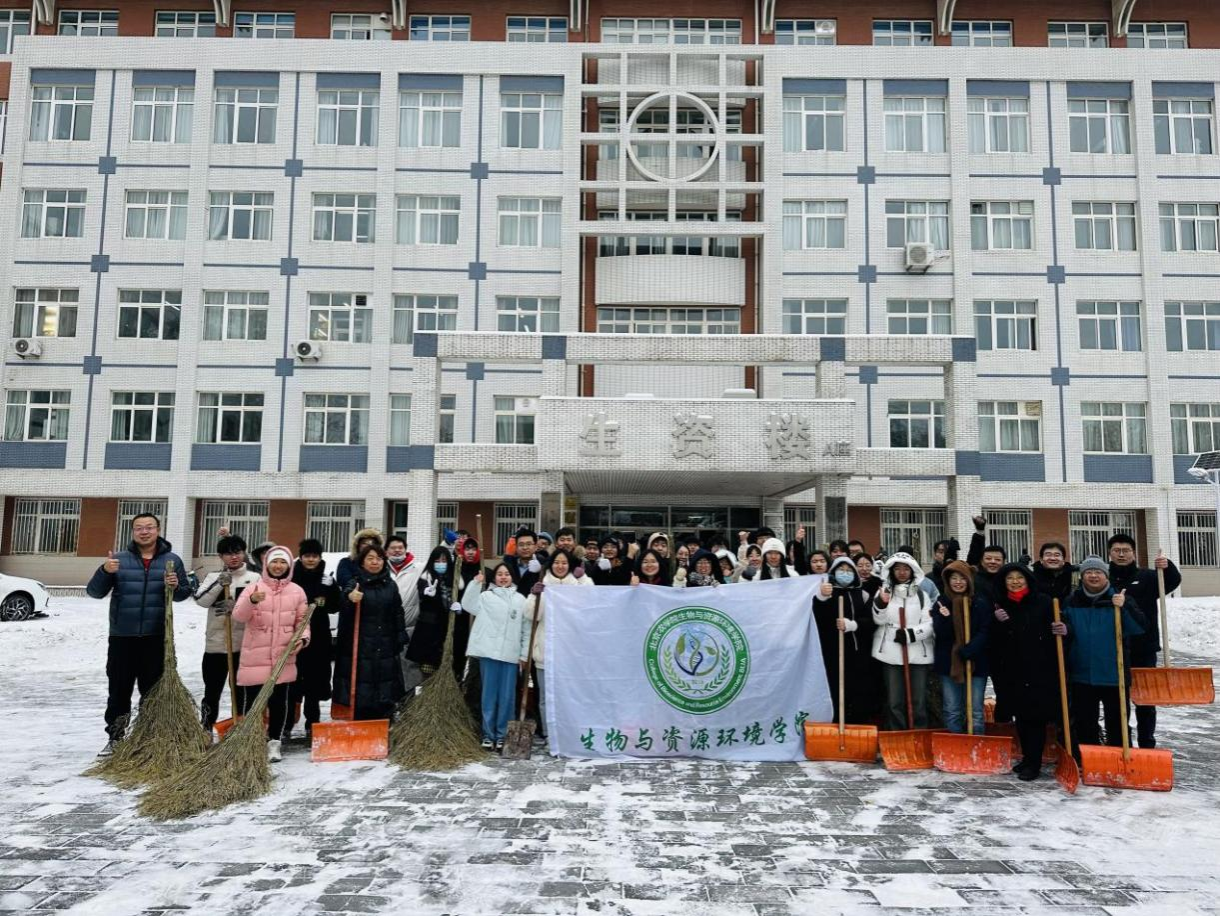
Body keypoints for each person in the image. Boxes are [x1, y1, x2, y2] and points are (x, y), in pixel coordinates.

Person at [88, 513, 192, 757]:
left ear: (158, 530)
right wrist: (105, 571)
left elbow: (183, 594)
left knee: (152, 691)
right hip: (122, 637)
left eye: (149, 527)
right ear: (133, 532)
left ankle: (147, 738)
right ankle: (116, 738)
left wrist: (175, 586)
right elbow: (94, 592)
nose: (144, 532)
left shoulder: (172, 560)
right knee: (119, 690)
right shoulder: (119, 560)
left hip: (155, 637)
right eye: (139, 528)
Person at [231, 546, 310, 762]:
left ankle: (274, 742)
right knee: (253, 702)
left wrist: (302, 639)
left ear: (289, 566)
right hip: (255, 655)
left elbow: (302, 621)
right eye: (274, 561)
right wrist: (251, 601)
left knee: (278, 702)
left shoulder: (297, 591)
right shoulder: (253, 588)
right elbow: (238, 616)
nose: (278, 566)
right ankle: (251, 741)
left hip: (283, 655)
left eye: (283, 562)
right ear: (267, 564)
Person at [1063, 557, 1147, 753]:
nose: (1093, 576)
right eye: (1088, 572)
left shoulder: (1120, 598)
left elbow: (1139, 628)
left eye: (1098, 572)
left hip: (1114, 674)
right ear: (1082, 576)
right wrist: (1063, 629)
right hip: (1081, 674)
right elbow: (1067, 632)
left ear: (1106, 575)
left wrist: (1124, 607)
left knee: (1117, 723)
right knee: (1085, 723)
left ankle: (1119, 758)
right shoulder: (1071, 601)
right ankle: (1088, 759)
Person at [1107, 535, 1181, 749]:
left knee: (1145, 700)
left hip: (1143, 647)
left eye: (1126, 550)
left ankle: (1147, 742)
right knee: (1118, 699)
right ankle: (1122, 741)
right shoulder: (1104, 578)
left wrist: (1167, 568)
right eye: (1117, 550)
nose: (1121, 554)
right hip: (1113, 648)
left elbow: (1172, 581)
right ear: (1110, 553)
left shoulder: (1148, 577)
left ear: (1134, 553)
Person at [990, 563, 1062, 780]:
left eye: (1019, 577)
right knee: (1020, 716)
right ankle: (1027, 757)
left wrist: (1063, 629)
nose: (1015, 582)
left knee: (1035, 716)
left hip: (1039, 667)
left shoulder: (1043, 602)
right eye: (1010, 578)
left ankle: (1034, 762)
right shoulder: (1000, 605)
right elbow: (996, 639)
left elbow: (1057, 628)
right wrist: (998, 623)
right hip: (1013, 668)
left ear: (1028, 579)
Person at [192, 534, 260, 730]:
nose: (234, 557)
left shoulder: (254, 579)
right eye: (228, 554)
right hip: (216, 646)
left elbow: (261, 608)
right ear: (221, 557)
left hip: (242, 645)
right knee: (212, 691)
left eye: (237, 552)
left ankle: (240, 728)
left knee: (240, 691)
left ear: (244, 553)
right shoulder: (212, 577)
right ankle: (206, 728)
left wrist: (237, 605)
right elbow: (201, 601)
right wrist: (219, 585)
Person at [334, 544, 408, 721]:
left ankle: (384, 721)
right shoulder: (355, 583)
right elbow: (343, 604)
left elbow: (397, 612)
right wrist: (350, 598)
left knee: (385, 686)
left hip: (385, 644)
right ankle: (362, 721)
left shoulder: (390, 585)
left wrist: (400, 635)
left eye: (379, 558)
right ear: (362, 562)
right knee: (363, 686)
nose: (375, 562)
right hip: (362, 646)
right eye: (370, 558)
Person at [462, 561, 528, 751]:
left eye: (507, 574)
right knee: (488, 695)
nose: (503, 577)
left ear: (512, 577)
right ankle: (488, 734)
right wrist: (476, 583)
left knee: (507, 697)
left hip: (510, 654)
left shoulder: (520, 600)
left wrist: (524, 655)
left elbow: (526, 629)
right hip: (489, 652)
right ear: (494, 577)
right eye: (499, 574)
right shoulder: (485, 596)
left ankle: (502, 734)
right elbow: (468, 604)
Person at [523, 550, 591, 736]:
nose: (560, 566)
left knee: (569, 696)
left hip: (570, 653)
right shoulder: (544, 585)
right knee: (546, 697)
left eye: (564, 563)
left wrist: (583, 578)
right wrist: (535, 595)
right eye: (556, 562)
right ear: (550, 565)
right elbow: (531, 615)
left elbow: (590, 602)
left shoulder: (577, 585)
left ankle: (568, 733)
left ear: (569, 565)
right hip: (546, 651)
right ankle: (548, 734)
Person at [871, 553, 935, 730]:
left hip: (918, 653)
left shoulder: (922, 596)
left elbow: (929, 624)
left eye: (906, 569)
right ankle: (896, 734)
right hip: (890, 653)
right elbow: (878, 620)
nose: (902, 572)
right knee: (894, 700)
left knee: (918, 699)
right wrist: (881, 604)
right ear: (891, 571)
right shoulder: (884, 592)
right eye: (897, 568)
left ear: (913, 571)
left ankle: (919, 732)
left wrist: (910, 634)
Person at [814, 557, 878, 723]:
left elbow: (871, 621)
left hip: (857, 652)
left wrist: (853, 625)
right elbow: (818, 620)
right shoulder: (827, 593)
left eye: (849, 570)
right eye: (841, 570)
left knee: (858, 691)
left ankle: (857, 724)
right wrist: (821, 598)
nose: (845, 573)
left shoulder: (863, 595)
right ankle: (836, 723)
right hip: (833, 652)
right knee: (835, 689)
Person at [931, 561, 990, 734]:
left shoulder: (980, 602)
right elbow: (940, 634)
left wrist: (971, 648)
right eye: (954, 578)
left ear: (969, 580)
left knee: (976, 710)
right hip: (949, 663)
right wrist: (945, 619)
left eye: (962, 578)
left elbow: (986, 630)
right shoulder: (942, 603)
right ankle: (955, 743)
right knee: (952, 709)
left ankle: (977, 742)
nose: (958, 582)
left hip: (976, 662)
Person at [290, 538, 340, 739]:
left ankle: (312, 722)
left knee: (314, 681)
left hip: (319, 637)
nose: (311, 560)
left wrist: (331, 590)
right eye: (307, 556)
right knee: (293, 681)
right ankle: (288, 722)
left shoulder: (326, 579)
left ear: (320, 558)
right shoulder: (292, 577)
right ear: (301, 557)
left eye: (315, 556)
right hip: (295, 635)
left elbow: (335, 606)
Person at [406, 545, 458, 676]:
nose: (441, 564)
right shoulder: (426, 578)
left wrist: (458, 607)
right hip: (429, 633)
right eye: (437, 561)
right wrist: (426, 593)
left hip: (448, 632)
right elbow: (422, 594)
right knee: (428, 671)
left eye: (444, 560)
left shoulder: (454, 580)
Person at [512, 530, 544, 595]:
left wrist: (541, 570)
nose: (525, 548)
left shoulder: (544, 564)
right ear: (516, 547)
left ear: (536, 546)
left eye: (529, 544)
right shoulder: (509, 564)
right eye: (521, 545)